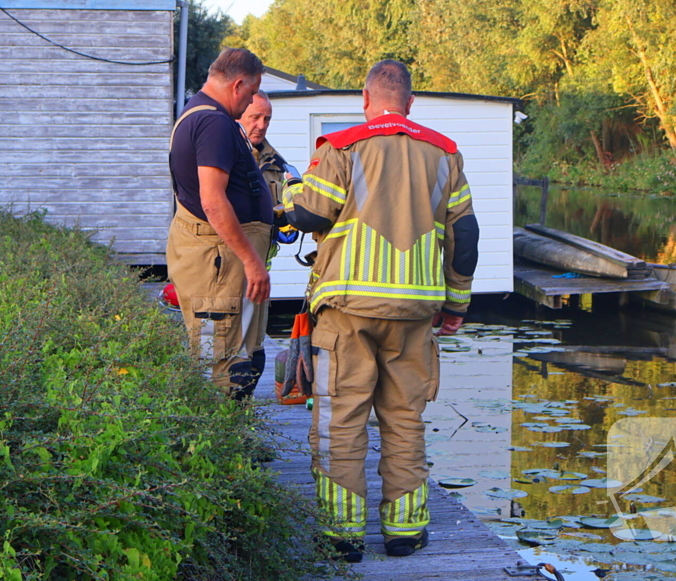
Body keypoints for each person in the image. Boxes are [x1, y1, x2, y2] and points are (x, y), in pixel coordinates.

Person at [282, 60, 479, 560]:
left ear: (366, 101)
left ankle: (342, 535)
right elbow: (466, 237)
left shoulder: (342, 147)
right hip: (415, 312)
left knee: (340, 423)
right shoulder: (445, 154)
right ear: (410, 103)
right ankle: (406, 531)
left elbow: (309, 214)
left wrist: (289, 190)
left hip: (348, 310)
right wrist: (455, 302)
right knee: (404, 419)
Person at [166, 48, 273, 400]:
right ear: (239, 84)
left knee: (243, 358)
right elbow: (212, 200)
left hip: (223, 262)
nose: (249, 104)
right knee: (222, 365)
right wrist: (252, 260)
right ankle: (220, 441)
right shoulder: (212, 121)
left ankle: (232, 442)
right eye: (251, 92)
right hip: (218, 264)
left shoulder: (199, 114)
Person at [237, 90, 296, 389]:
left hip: (261, 272)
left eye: (267, 119)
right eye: (254, 118)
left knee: (255, 352)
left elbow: (289, 219)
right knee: (228, 353)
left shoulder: (278, 165)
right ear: (238, 117)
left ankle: (242, 415)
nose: (261, 125)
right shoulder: (228, 156)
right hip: (232, 271)